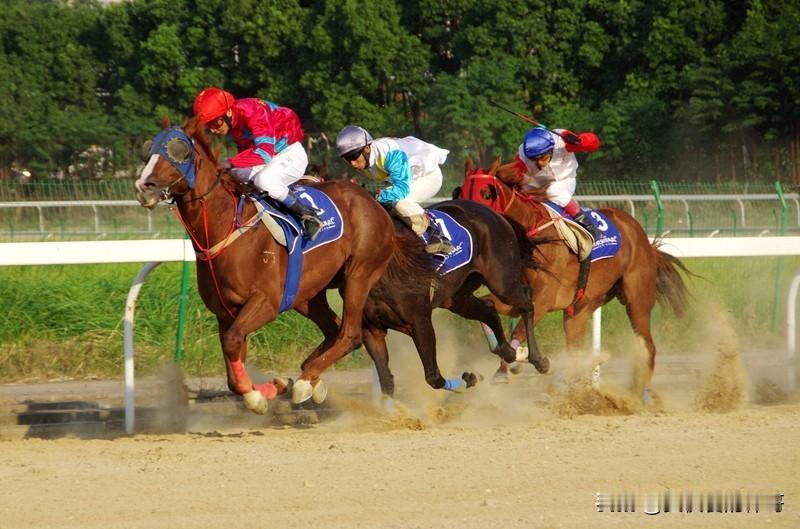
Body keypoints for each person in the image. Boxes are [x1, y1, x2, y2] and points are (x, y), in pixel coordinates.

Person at [193, 87, 323, 240]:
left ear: (228, 112)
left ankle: (308, 215)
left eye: (215, 123)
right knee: (231, 175)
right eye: (209, 126)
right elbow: (246, 156)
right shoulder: (233, 124)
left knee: (264, 180)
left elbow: (264, 153)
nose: (213, 130)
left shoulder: (253, 111)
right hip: (270, 158)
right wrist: (228, 167)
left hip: (290, 153)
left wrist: (229, 162)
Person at [335, 125, 453, 254]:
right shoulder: (367, 159)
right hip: (408, 178)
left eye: (354, 156)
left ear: (367, 148)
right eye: (347, 158)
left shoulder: (389, 153)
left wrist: (375, 197)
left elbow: (401, 189)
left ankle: (437, 236)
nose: (352, 163)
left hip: (428, 176)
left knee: (400, 202)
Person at [512, 126, 601, 239]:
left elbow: (595, 143)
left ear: (551, 149)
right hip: (539, 183)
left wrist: (580, 141)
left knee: (552, 189)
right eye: (534, 160)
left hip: (565, 180)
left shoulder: (562, 141)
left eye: (542, 158)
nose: (539, 163)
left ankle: (589, 227)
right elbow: (515, 175)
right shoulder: (522, 157)